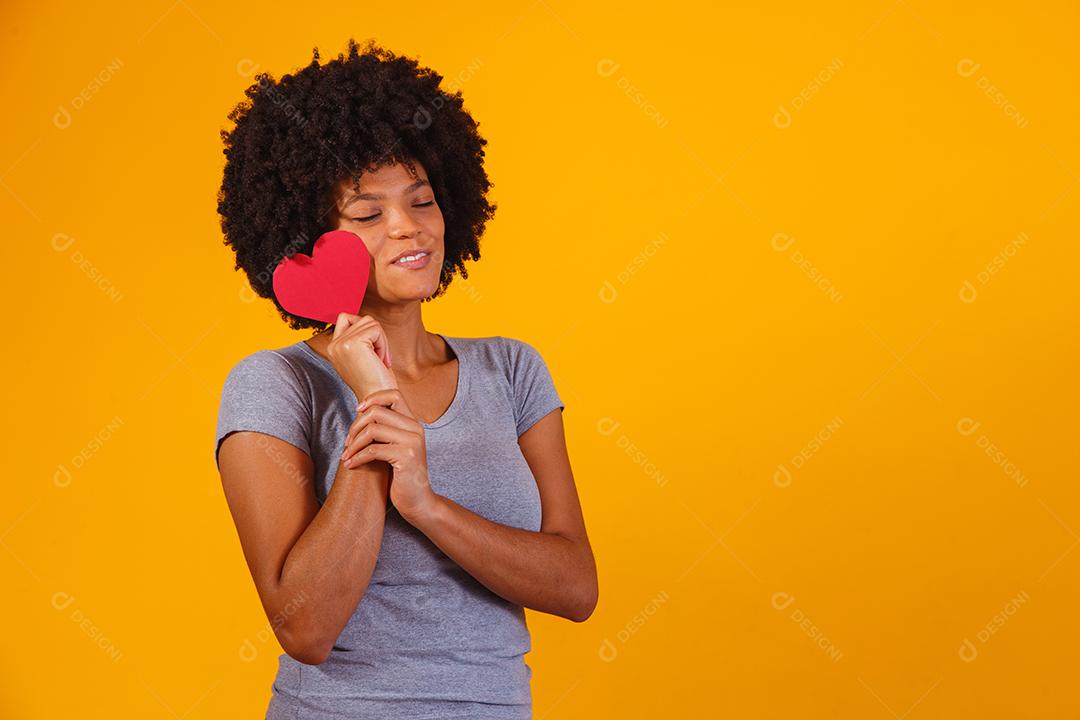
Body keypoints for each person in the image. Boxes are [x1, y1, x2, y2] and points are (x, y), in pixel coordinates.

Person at [213, 38, 597, 719]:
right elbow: (305, 628)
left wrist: (426, 505)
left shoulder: (512, 369)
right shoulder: (276, 386)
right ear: (305, 239)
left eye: (421, 201)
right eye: (367, 214)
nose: (406, 227)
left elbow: (575, 587)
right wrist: (375, 401)